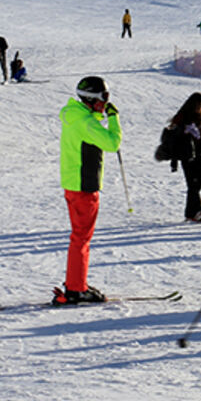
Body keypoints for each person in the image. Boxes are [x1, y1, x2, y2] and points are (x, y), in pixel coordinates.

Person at [54, 76, 122, 304]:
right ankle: (76, 288)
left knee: (79, 236)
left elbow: (88, 126)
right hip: (84, 186)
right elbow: (113, 143)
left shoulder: (74, 115)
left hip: (73, 184)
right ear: (91, 99)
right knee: (82, 238)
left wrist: (97, 115)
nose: (105, 103)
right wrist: (113, 118)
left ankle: (76, 282)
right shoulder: (86, 123)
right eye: (103, 98)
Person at [169, 93, 201, 222]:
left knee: (195, 184)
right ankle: (197, 211)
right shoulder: (182, 116)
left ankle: (191, 213)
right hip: (187, 153)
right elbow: (173, 134)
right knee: (192, 184)